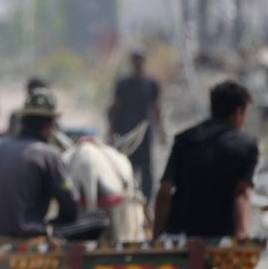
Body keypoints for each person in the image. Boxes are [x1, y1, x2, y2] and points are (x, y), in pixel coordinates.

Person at [0, 87, 103, 264]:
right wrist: (56, 223)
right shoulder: (48, 154)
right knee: (97, 219)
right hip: (27, 237)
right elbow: (70, 205)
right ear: (48, 127)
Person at [153, 80, 259, 239]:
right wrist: (242, 234)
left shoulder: (184, 139)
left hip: (181, 237)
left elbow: (165, 192)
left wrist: (156, 239)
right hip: (223, 239)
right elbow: (242, 193)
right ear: (239, 112)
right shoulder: (247, 146)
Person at [108, 49, 166, 200]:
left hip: (144, 134)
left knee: (146, 170)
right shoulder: (124, 84)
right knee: (126, 167)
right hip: (126, 134)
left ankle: (146, 201)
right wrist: (110, 130)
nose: (138, 63)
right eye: (135, 60)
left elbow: (156, 108)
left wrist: (161, 131)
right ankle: (127, 198)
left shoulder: (151, 84)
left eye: (140, 60)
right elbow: (116, 107)